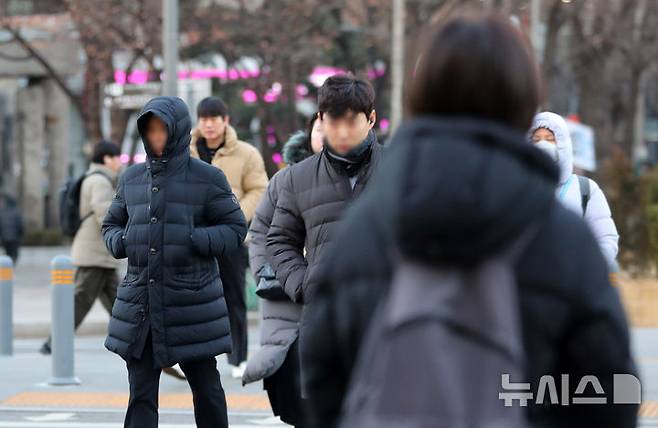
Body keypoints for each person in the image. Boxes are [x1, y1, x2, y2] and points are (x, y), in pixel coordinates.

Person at [301, 12, 637, 428]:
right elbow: (614, 392)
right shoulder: (561, 239)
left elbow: (321, 377)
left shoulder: (367, 228)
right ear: (521, 100)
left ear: (421, 96)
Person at [102, 96, 247, 428]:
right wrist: (122, 242)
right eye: (150, 130)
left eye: (162, 129)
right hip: (142, 305)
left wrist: (195, 239)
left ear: (178, 130)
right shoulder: (131, 177)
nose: (156, 136)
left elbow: (235, 228)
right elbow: (110, 224)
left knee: (207, 389)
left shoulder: (208, 178)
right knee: (140, 394)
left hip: (191, 303)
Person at [266, 74, 383, 306]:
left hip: (388, 320)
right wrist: (304, 285)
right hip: (323, 319)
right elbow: (280, 240)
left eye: (351, 122)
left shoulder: (400, 168)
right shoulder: (297, 177)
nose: (342, 132)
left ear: (371, 119)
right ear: (320, 118)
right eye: (334, 121)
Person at [243, 115, 323, 427]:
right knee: (293, 397)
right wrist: (269, 273)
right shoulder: (286, 180)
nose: (329, 133)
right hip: (286, 301)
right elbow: (260, 232)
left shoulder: (362, 178)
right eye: (321, 126)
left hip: (335, 304)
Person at [190, 96, 268, 378]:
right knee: (190, 298)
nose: (209, 125)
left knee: (233, 297)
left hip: (230, 237)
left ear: (226, 121)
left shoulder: (246, 153)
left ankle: (238, 357)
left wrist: (233, 217)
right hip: (191, 235)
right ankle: (190, 356)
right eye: (204, 119)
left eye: (214, 119)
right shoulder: (184, 150)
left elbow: (259, 189)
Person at [40, 141, 123, 356]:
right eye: (117, 158)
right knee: (80, 302)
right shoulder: (100, 182)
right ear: (107, 159)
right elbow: (105, 214)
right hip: (94, 254)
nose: (119, 162)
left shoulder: (95, 178)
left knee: (121, 302)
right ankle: (55, 340)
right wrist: (122, 234)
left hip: (99, 255)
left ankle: (135, 338)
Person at [530, 111, 619, 269]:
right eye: (536, 140)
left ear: (563, 144)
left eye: (550, 140)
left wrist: (587, 270)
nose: (542, 144)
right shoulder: (517, 187)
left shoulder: (585, 190)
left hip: (572, 284)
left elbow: (606, 238)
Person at [0, 196, 23, 264]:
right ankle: (12, 263)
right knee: (14, 251)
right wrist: (21, 234)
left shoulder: (2, 212)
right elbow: (20, 225)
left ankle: (8, 264)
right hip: (14, 237)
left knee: (7, 251)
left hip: (5, 237)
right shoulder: (16, 212)